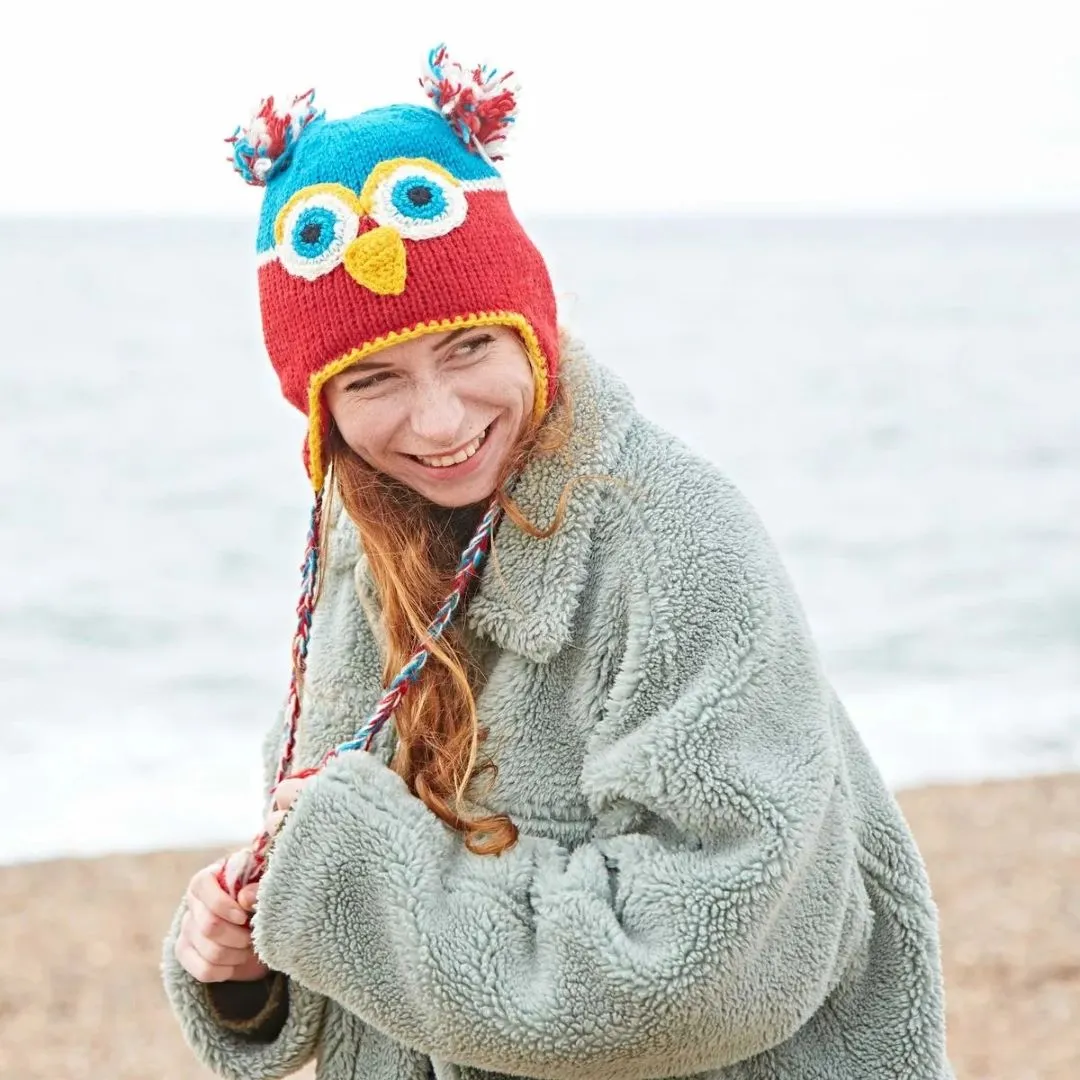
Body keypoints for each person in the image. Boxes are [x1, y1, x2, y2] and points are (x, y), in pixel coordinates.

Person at [162, 46, 953, 1080]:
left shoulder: (674, 538)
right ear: (322, 410)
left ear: (530, 334)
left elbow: (711, 955)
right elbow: (334, 881)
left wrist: (350, 881)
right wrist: (243, 960)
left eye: (468, 350)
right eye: (374, 380)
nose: (440, 423)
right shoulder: (366, 548)